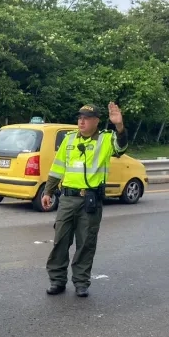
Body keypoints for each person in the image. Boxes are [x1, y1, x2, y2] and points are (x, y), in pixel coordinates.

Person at [42, 102, 128, 297]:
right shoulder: (69, 139)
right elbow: (57, 167)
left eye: (86, 118)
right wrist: (48, 191)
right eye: (79, 118)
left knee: (86, 243)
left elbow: (121, 148)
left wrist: (119, 126)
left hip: (90, 201)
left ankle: (81, 282)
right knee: (60, 240)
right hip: (68, 199)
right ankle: (57, 280)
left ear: (96, 121)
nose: (81, 121)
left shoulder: (106, 139)